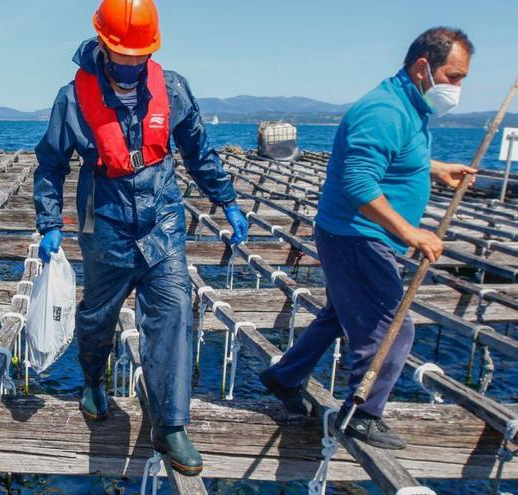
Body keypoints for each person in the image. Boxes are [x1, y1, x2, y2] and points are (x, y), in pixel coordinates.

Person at [33, 0, 248, 475]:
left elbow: (198, 150)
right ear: (104, 46)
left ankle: (170, 424)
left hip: (162, 222)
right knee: (97, 315)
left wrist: (227, 200)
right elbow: (50, 166)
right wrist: (49, 223)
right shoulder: (71, 98)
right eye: (123, 56)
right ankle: (93, 380)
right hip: (104, 224)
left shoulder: (172, 88)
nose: (132, 65)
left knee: (173, 311)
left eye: (140, 57)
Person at [260, 27, 476, 450]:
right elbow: (359, 184)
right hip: (357, 236)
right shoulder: (384, 110)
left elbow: (395, 155)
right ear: (422, 68)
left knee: (340, 314)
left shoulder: (407, 107)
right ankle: (362, 414)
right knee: (392, 328)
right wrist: (409, 231)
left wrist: (435, 168)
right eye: (455, 76)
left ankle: (283, 375)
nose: (458, 87)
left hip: (358, 237)